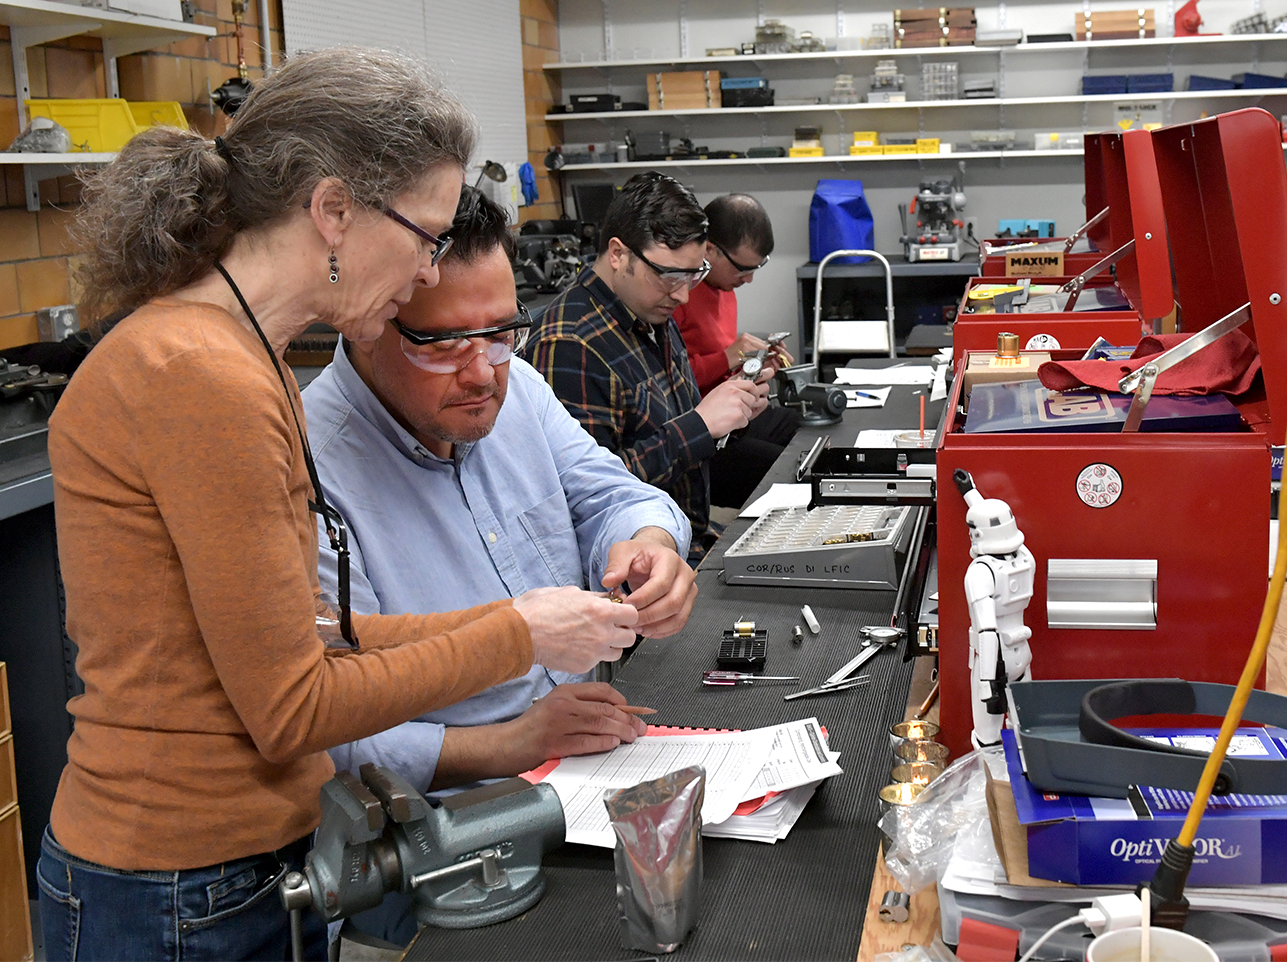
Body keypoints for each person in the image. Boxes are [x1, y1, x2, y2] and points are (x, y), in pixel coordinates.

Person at [37, 48, 639, 962]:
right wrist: (516, 635)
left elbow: (317, 632)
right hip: (174, 884)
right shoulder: (201, 374)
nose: (428, 268)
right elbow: (292, 705)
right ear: (333, 212)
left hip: (243, 867)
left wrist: (528, 620)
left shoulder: (244, 358)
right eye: (426, 234)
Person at [301, 184, 697, 945]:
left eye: (502, 331)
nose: (483, 373)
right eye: (446, 342)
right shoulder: (311, 468)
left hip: (589, 771)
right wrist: (512, 743)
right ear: (369, 318)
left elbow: (612, 494)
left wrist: (647, 544)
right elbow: (325, 719)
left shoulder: (516, 394)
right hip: (446, 843)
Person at [526, 172, 772, 561]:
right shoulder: (569, 344)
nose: (682, 293)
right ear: (618, 253)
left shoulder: (651, 308)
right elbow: (585, 495)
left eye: (694, 275)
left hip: (692, 535)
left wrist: (732, 415)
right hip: (641, 570)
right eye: (669, 275)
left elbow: (673, 429)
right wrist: (699, 425)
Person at [672, 193, 801, 508]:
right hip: (701, 437)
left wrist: (756, 361)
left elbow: (718, 369)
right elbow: (672, 383)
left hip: (736, 417)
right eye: (743, 269)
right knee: (789, 473)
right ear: (710, 250)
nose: (750, 279)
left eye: (757, 267)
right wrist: (729, 356)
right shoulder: (677, 296)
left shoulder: (725, 287)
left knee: (810, 428)